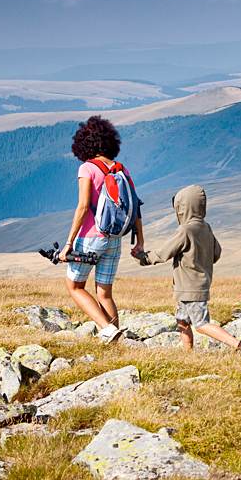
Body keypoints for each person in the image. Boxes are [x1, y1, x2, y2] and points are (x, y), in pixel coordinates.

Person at [133, 185, 241, 352]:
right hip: (192, 286)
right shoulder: (206, 227)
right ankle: (188, 354)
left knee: (201, 324)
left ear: (183, 208)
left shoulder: (185, 230)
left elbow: (163, 253)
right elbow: (216, 253)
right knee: (182, 321)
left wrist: (143, 257)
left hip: (191, 288)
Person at [59, 116, 143, 343]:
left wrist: (68, 244)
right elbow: (135, 205)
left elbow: (84, 206)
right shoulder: (121, 169)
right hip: (115, 238)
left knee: (75, 286)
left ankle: (107, 329)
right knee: (104, 292)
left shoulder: (87, 168)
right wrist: (140, 241)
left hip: (90, 238)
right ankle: (117, 342)